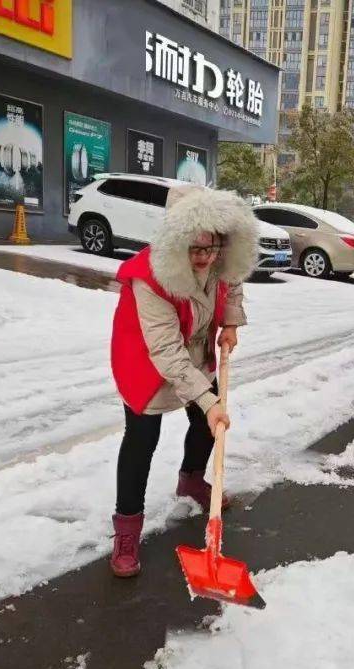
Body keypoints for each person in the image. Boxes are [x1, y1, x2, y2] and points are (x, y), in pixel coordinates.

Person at [108, 185, 257, 577]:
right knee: (142, 441)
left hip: (196, 352)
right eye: (195, 249)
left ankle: (191, 480)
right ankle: (126, 529)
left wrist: (230, 323)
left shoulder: (220, 259)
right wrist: (209, 401)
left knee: (208, 425)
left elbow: (234, 283)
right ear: (176, 241)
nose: (205, 258)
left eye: (213, 248)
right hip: (147, 361)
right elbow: (166, 354)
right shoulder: (149, 278)